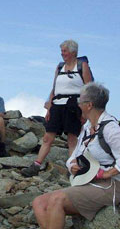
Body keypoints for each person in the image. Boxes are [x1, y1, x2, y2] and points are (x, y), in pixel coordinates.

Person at [20, 83, 120, 229]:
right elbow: (73, 158)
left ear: (89, 105)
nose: (78, 104)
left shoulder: (110, 128)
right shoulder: (87, 128)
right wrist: (73, 165)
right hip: (88, 183)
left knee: (57, 200)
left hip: (110, 187)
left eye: (80, 101)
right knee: (39, 202)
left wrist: (109, 172)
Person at [22, 39, 93, 177]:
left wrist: (85, 112)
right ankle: (36, 165)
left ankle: (72, 168)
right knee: (48, 137)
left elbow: (89, 89)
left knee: (72, 138)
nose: (62, 54)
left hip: (74, 105)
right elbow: (55, 88)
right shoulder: (59, 67)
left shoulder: (82, 66)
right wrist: (49, 108)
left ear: (73, 52)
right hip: (57, 105)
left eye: (65, 51)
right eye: (62, 51)